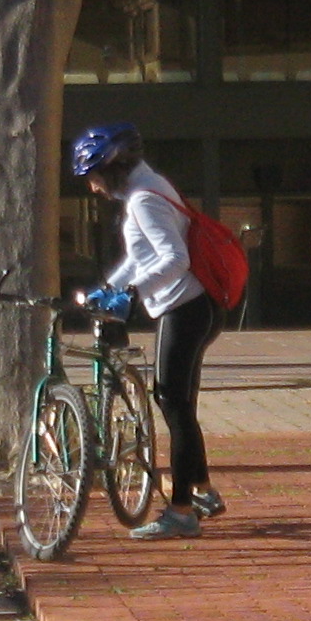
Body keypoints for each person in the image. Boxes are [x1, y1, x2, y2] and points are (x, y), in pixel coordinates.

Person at [71, 121, 221, 539]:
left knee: (174, 406)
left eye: (93, 178)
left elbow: (175, 260)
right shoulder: (147, 187)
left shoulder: (143, 200)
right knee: (179, 406)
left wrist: (131, 294)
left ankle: (182, 512)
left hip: (185, 307)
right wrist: (108, 288)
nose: (93, 188)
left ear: (112, 169)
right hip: (192, 305)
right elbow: (142, 257)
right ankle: (204, 491)